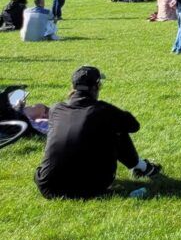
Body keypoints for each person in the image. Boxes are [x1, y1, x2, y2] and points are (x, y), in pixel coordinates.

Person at [34, 66, 161, 200]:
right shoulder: (103, 110)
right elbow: (134, 126)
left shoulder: (56, 108)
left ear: (73, 86)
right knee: (117, 131)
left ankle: (140, 167)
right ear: (95, 87)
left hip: (47, 186)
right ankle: (142, 167)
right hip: (89, 188)